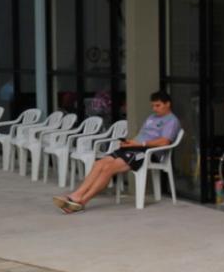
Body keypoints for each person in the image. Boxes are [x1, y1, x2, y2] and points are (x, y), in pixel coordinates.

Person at [53, 91, 181, 213]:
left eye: (158, 105)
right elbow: (142, 135)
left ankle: (82, 201)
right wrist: (129, 142)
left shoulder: (172, 121)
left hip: (148, 152)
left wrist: (140, 144)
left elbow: (164, 142)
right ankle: (76, 194)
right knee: (99, 164)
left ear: (167, 104)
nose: (154, 109)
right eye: (153, 105)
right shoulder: (151, 117)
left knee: (108, 168)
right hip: (133, 147)